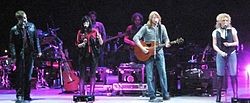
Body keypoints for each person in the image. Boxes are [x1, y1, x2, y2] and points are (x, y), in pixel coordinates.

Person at [133, 11, 170, 102]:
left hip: (159, 52)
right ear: (150, 19)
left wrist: (167, 43)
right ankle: (152, 96)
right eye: (154, 17)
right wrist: (142, 48)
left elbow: (166, 38)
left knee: (163, 73)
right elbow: (135, 38)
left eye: (157, 17)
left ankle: (165, 94)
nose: (155, 19)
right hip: (148, 53)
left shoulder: (162, 28)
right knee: (149, 75)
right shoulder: (146, 27)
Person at [9, 10, 42, 101]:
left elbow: (36, 39)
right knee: (20, 75)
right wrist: (14, 56)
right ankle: (19, 94)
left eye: (25, 17)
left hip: (30, 54)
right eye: (23, 18)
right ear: (18, 19)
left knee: (28, 75)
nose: (25, 20)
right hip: (20, 55)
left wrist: (39, 50)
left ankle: (27, 94)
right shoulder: (14, 29)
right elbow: (11, 44)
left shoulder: (31, 26)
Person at [212, 13, 239, 102]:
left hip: (231, 53)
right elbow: (214, 45)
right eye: (223, 20)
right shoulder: (216, 32)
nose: (225, 22)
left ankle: (235, 94)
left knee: (233, 74)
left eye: (227, 20)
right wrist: (220, 52)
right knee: (220, 75)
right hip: (221, 54)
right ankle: (218, 96)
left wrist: (229, 44)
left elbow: (236, 42)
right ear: (219, 21)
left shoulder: (233, 30)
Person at [75, 16, 103, 96]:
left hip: (93, 55)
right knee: (82, 75)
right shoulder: (80, 32)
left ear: (89, 23)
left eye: (87, 22)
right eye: (84, 22)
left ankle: (91, 93)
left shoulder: (94, 31)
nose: (85, 24)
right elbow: (77, 45)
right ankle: (81, 93)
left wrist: (100, 37)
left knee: (92, 74)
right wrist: (82, 44)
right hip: (83, 55)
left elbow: (101, 43)